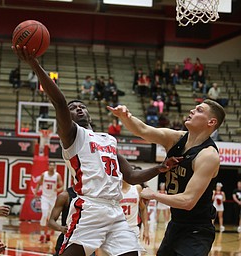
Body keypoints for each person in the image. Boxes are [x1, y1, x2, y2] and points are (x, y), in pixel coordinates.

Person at [13, 46, 181, 256]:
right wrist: (34, 64)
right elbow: (59, 102)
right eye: (73, 108)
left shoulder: (108, 140)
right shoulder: (73, 136)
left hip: (115, 210)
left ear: (90, 116)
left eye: (82, 106)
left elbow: (131, 175)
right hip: (89, 208)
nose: (79, 109)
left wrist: (160, 168)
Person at [108, 99, 226, 256]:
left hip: (197, 229)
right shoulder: (176, 138)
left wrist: (154, 194)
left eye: (199, 110)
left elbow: (187, 201)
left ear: (211, 122)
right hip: (175, 224)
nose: (192, 111)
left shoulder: (208, 155)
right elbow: (143, 130)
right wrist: (125, 117)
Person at [34, 162, 63, 243]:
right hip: (45, 198)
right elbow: (39, 183)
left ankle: (48, 234)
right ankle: (42, 234)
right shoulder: (44, 174)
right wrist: (36, 192)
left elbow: (62, 186)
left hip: (53, 198)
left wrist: (58, 190)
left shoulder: (57, 175)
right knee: (44, 214)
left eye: (53, 165)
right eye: (50, 165)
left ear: (55, 167)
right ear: (48, 166)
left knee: (51, 217)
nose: (51, 167)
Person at [120, 179, 150, 255]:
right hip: (118, 230)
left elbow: (143, 208)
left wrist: (146, 229)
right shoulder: (114, 190)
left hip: (133, 229)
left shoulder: (137, 188)